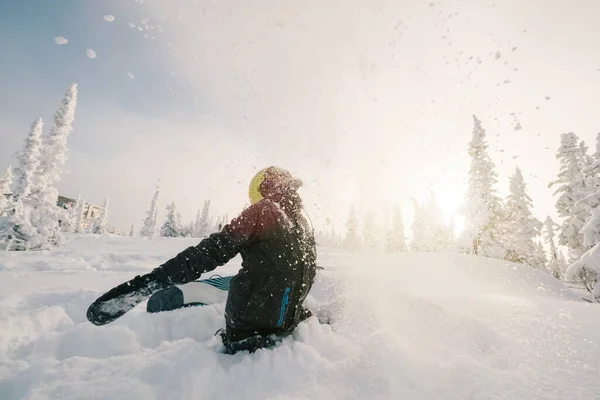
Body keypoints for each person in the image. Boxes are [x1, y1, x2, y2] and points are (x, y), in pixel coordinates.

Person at [89, 166, 317, 354]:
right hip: (285, 323)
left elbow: (210, 251)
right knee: (259, 273)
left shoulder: (263, 211)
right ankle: (224, 286)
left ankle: (209, 289)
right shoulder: (303, 224)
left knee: (243, 279)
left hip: (247, 332)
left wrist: (154, 280)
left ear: (262, 189)